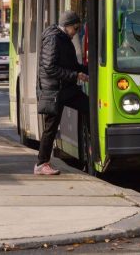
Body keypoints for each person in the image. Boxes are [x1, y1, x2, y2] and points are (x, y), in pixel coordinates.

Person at [34, 10, 89, 176]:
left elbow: (70, 64)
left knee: (90, 107)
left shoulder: (63, 38)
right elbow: (50, 68)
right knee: (50, 127)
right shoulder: (53, 39)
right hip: (55, 90)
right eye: (76, 29)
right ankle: (41, 164)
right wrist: (75, 75)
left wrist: (88, 69)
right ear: (68, 26)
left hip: (66, 88)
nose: (76, 33)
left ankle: (94, 149)